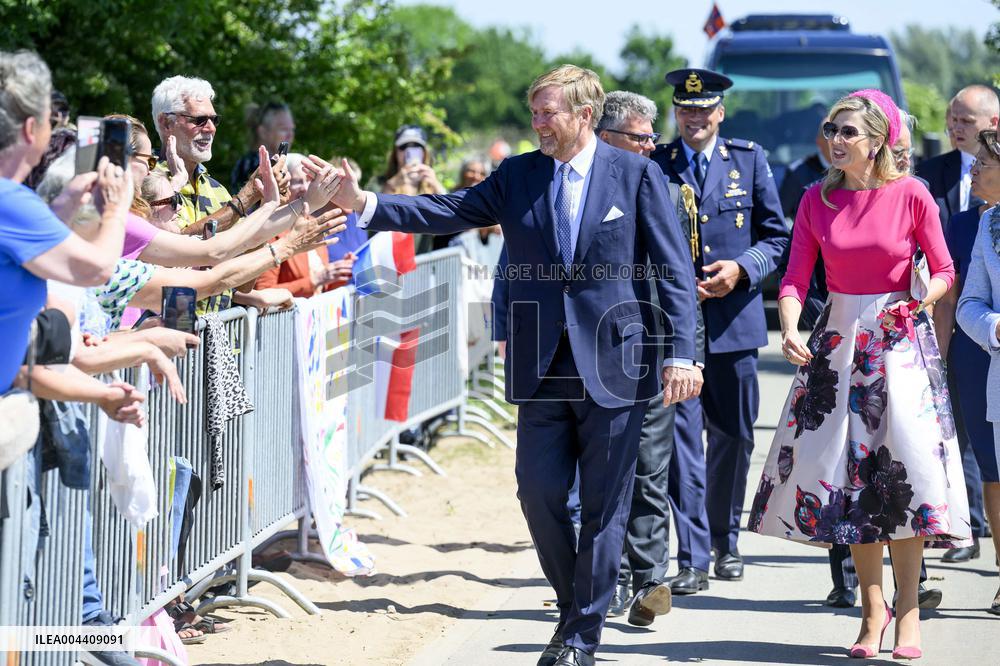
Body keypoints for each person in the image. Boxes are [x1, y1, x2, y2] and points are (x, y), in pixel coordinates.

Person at [327, 64, 702, 666]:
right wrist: (366, 203)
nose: (538, 124)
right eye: (533, 113)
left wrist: (685, 353)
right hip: (542, 360)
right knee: (538, 491)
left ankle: (580, 637)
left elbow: (673, 270)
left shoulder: (636, 174)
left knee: (605, 506)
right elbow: (445, 211)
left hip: (617, 363)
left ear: (584, 114)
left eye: (547, 113)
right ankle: (575, 604)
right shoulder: (519, 174)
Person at [749, 89, 971, 660]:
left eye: (848, 131)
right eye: (831, 129)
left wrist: (923, 300)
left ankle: (909, 613)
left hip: (898, 346)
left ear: (878, 141)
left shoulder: (913, 193)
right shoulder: (814, 200)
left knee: (907, 477)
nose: (835, 140)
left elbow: (944, 268)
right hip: (840, 344)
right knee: (850, 484)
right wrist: (792, 329)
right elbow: (795, 278)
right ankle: (871, 612)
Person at [650, 68, 789, 585]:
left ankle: (725, 540)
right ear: (676, 114)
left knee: (732, 437)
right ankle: (691, 558)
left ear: (720, 112)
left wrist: (742, 269)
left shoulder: (748, 161)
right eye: (686, 110)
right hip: (676, 327)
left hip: (735, 324)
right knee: (683, 440)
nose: (695, 118)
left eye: (705, 109)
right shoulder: (657, 163)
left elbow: (778, 237)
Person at [594, 89, 686, 621]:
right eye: (641, 137)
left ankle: (648, 581)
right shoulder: (571, 186)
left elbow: (675, 279)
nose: (652, 146)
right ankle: (597, 582)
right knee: (596, 474)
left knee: (651, 467)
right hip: (590, 352)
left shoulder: (665, 191)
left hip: (648, 349)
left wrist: (682, 353)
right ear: (606, 137)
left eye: (654, 136)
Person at [0, 50, 131, 393]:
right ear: (31, 129)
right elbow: (97, 269)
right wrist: (117, 207)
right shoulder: (10, 203)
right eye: (49, 120)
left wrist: (65, 204)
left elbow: (27, 253)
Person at [917, 85, 1000, 564]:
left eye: (965, 120)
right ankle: (965, 526)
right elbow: (954, 290)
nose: (955, 127)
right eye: (952, 119)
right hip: (971, 335)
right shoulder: (940, 185)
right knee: (970, 438)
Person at [948, 128, 1000, 616]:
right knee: (997, 473)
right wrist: (993, 325)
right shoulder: (989, 226)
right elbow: (969, 304)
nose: (975, 171)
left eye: (983, 163)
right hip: (996, 375)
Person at [255, 153, 355, 297]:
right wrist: (316, 280)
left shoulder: (314, 224)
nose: (305, 188)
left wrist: (338, 273)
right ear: (281, 185)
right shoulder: (268, 229)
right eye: (297, 181)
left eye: (308, 181)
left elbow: (321, 289)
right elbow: (263, 292)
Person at [230, 101, 295, 192]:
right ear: (263, 132)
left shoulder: (290, 162)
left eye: (292, 129)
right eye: (283, 129)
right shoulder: (250, 165)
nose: (290, 135)